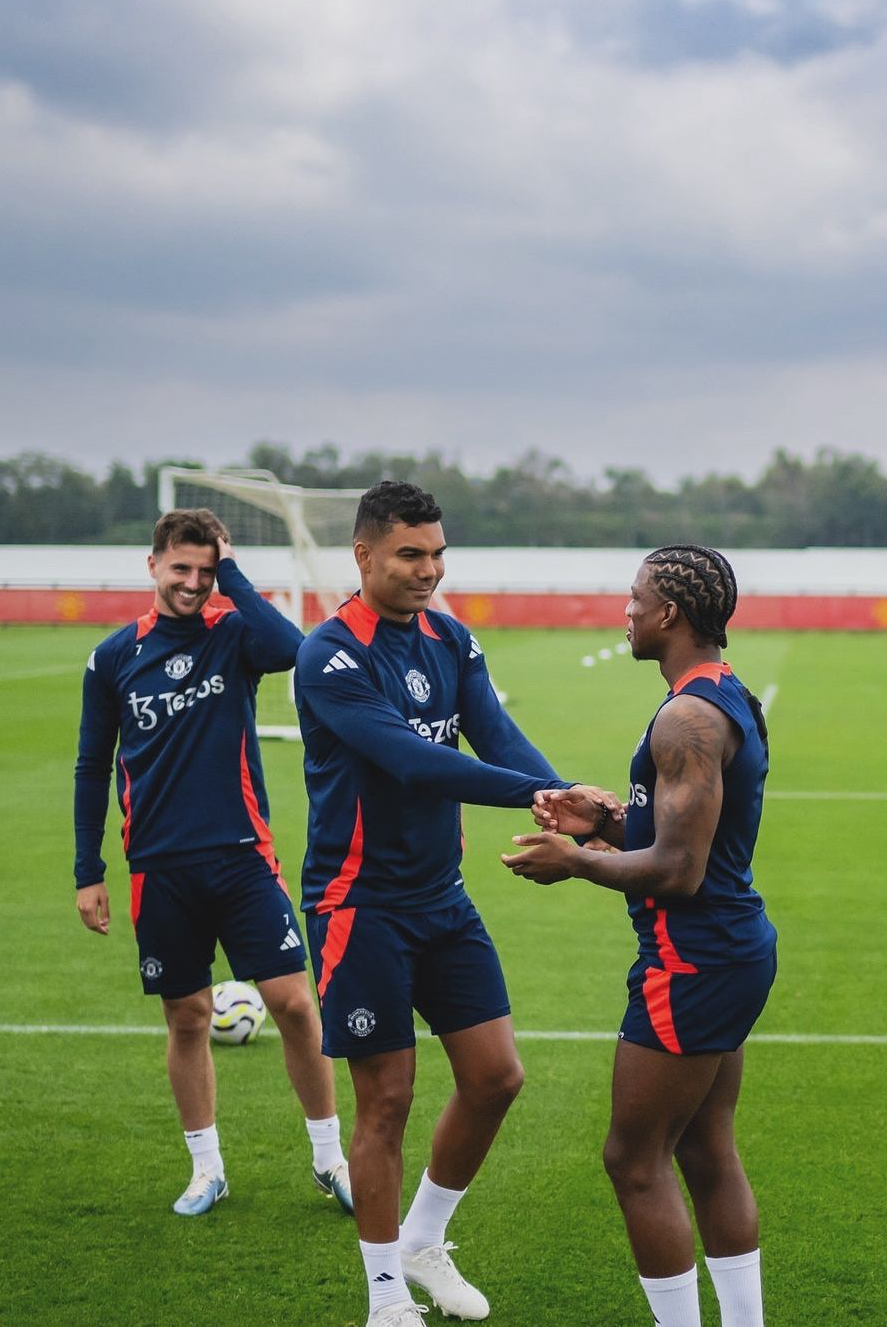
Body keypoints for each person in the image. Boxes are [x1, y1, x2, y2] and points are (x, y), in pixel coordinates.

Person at [295, 481, 574, 1327]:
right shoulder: (330, 655)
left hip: (441, 898)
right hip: (359, 907)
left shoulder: (451, 639)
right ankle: (385, 1297)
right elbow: (414, 763)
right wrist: (538, 794)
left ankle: (422, 1241)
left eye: (438, 554)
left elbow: (494, 734)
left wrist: (565, 798)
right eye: (410, 555)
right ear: (364, 555)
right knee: (387, 1101)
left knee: (495, 1077)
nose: (429, 570)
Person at [502, 544, 778, 1327]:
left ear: (670, 613)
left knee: (633, 1160)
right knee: (705, 1148)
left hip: (691, 961)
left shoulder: (687, 717)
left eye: (635, 598)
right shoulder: (723, 694)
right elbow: (687, 839)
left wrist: (576, 861)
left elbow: (680, 870)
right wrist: (605, 821)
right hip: (730, 949)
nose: (625, 611)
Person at [73, 508, 352, 1218]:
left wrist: (232, 571)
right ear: (153, 566)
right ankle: (207, 1169)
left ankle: (330, 1160)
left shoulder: (233, 635)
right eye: (182, 569)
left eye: (205, 570)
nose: (193, 583)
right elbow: (91, 766)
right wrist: (87, 871)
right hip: (158, 866)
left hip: (241, 856)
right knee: (188, 1017)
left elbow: (292, 648)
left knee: (295, 1004)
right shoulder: (112, 658)